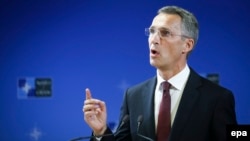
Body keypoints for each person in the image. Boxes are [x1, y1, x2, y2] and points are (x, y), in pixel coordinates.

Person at [83, 5, 237, 141]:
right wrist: (100, 131)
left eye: (165, 33)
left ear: (187, 45)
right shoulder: (133, 95)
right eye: (152, 31)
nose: (154, 39)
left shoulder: (217, 98)